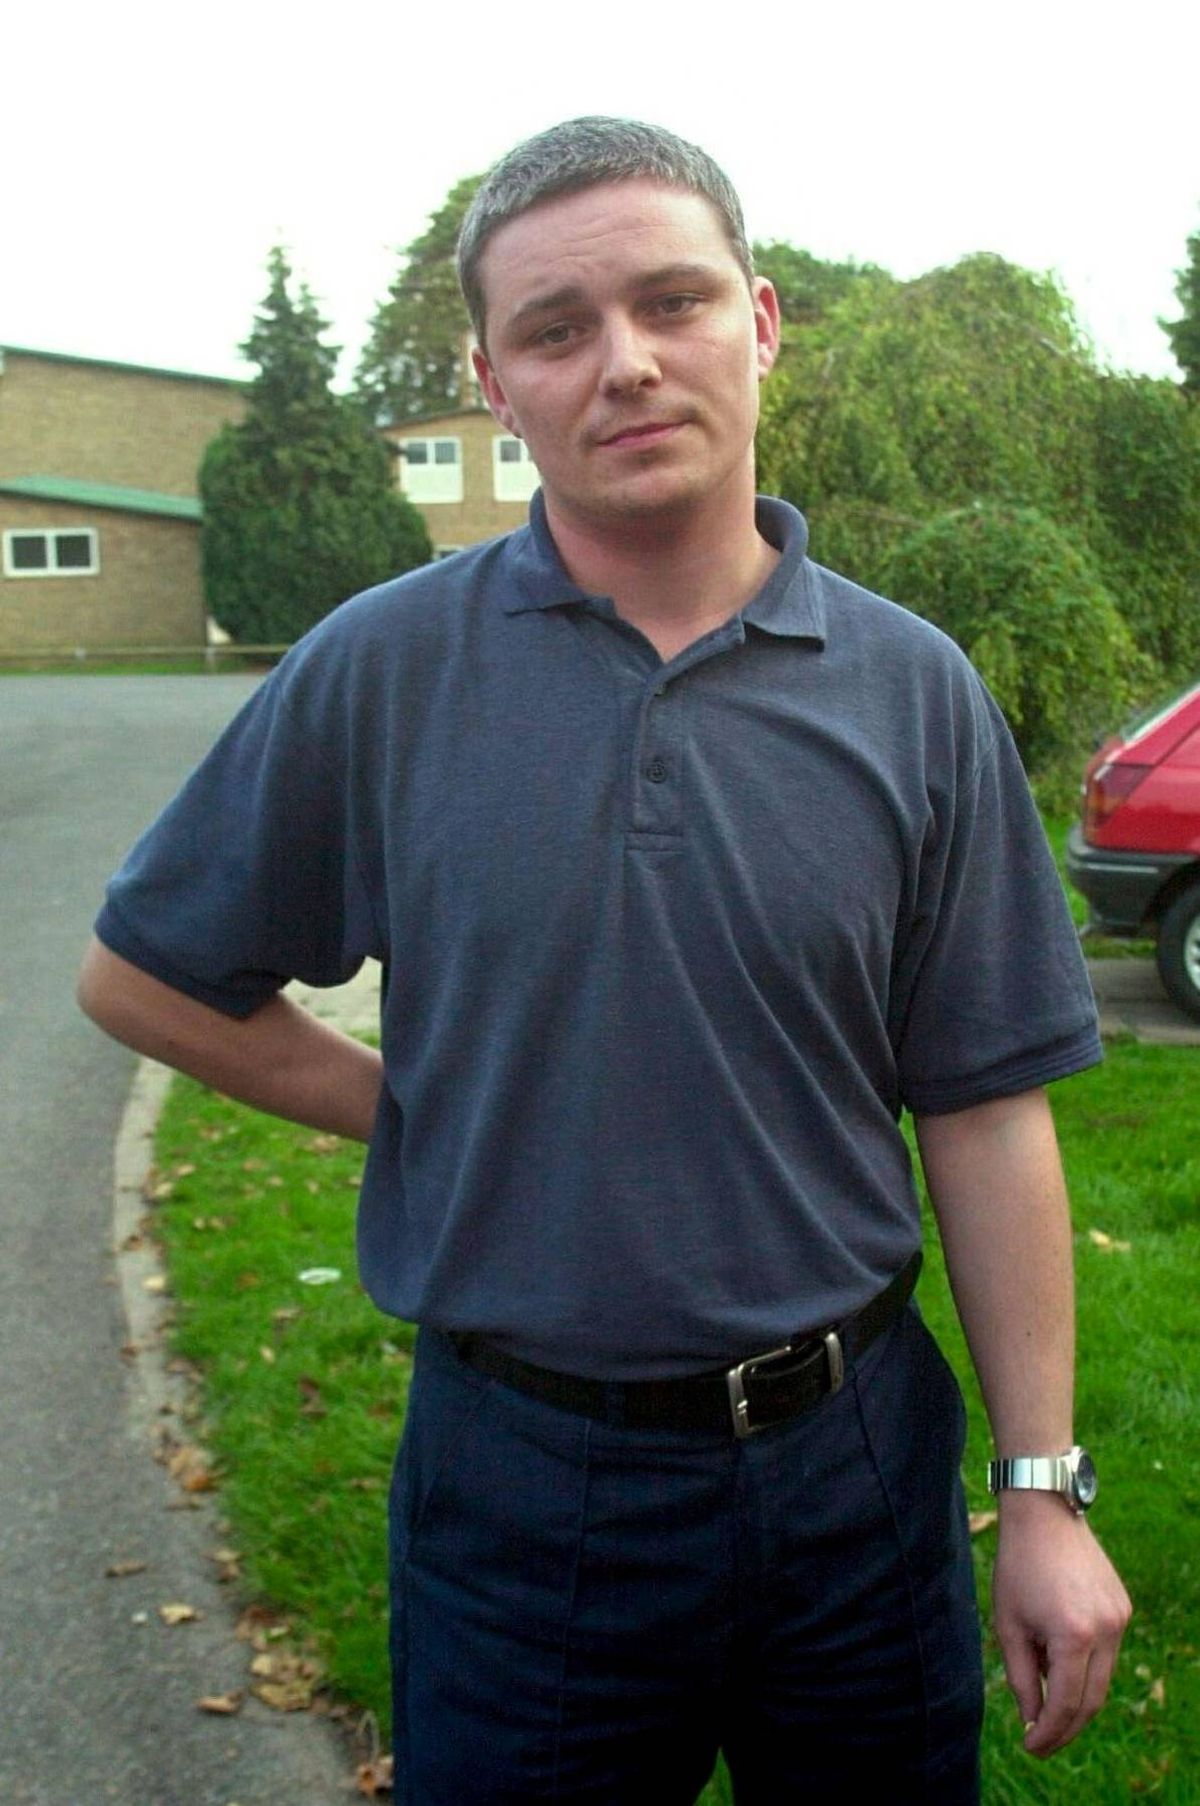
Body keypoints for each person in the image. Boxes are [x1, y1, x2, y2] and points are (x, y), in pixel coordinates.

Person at [78, 116, 1130, 1803]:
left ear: (762, 321)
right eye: (557, 330)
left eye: (673, 301)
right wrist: (416, 1108)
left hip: (858, 1467)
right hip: (525, 1486)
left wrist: (1047, 1495)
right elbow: (142, 975)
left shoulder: (912, 692)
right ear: (496, 381)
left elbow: (989, 1107)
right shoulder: (383, 674)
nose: (625, 363)